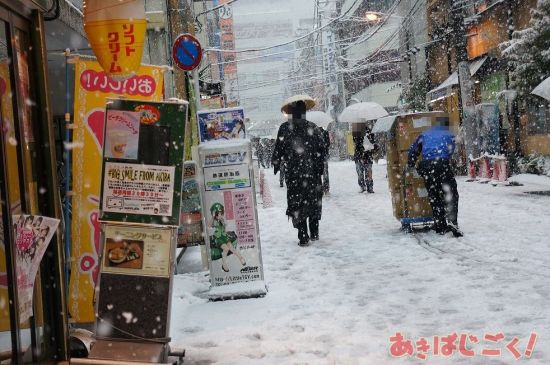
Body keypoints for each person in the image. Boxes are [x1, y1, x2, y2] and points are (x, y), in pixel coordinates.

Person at [272, 96, 326, 246]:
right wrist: (319, 168)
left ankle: (303, 235)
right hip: (312, 173)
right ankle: (314, 231)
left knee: (297, 203)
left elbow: (278, 149)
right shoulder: (313, 127)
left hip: (294, 174)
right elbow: (322, 150)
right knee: (314, 202)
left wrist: (276, 164)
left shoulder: (285, 128)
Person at [407, 117, 462, 237]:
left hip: (427, 167)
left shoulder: (425, 134)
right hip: (442, 164)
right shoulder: (449, 134)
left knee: (434, 195)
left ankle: (440, 226)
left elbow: (413, 150)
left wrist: (411, 164)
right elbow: (451, 151)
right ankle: (452, 221)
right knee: (451, 193)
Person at [209, 203, 246, 272]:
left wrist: (227, 233)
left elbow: (224, 228)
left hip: (224, 236)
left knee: (231, 248)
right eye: (218, 213)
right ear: (215, 214)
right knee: (226, 249)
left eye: (220, 213)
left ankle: (241, 258)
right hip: (218, 237)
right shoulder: (214, 221)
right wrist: (213, 217)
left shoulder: (222, 220)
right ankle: (224, 264)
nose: (220, 215)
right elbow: (209, 226)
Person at [320, 126, 331, 195]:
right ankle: (320, 188)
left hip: (323, 155)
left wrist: (322, 145)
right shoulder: (312, 131)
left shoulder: (325, 132)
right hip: (316, 156)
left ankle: (326, 188)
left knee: (325, 172)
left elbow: (328, 143)